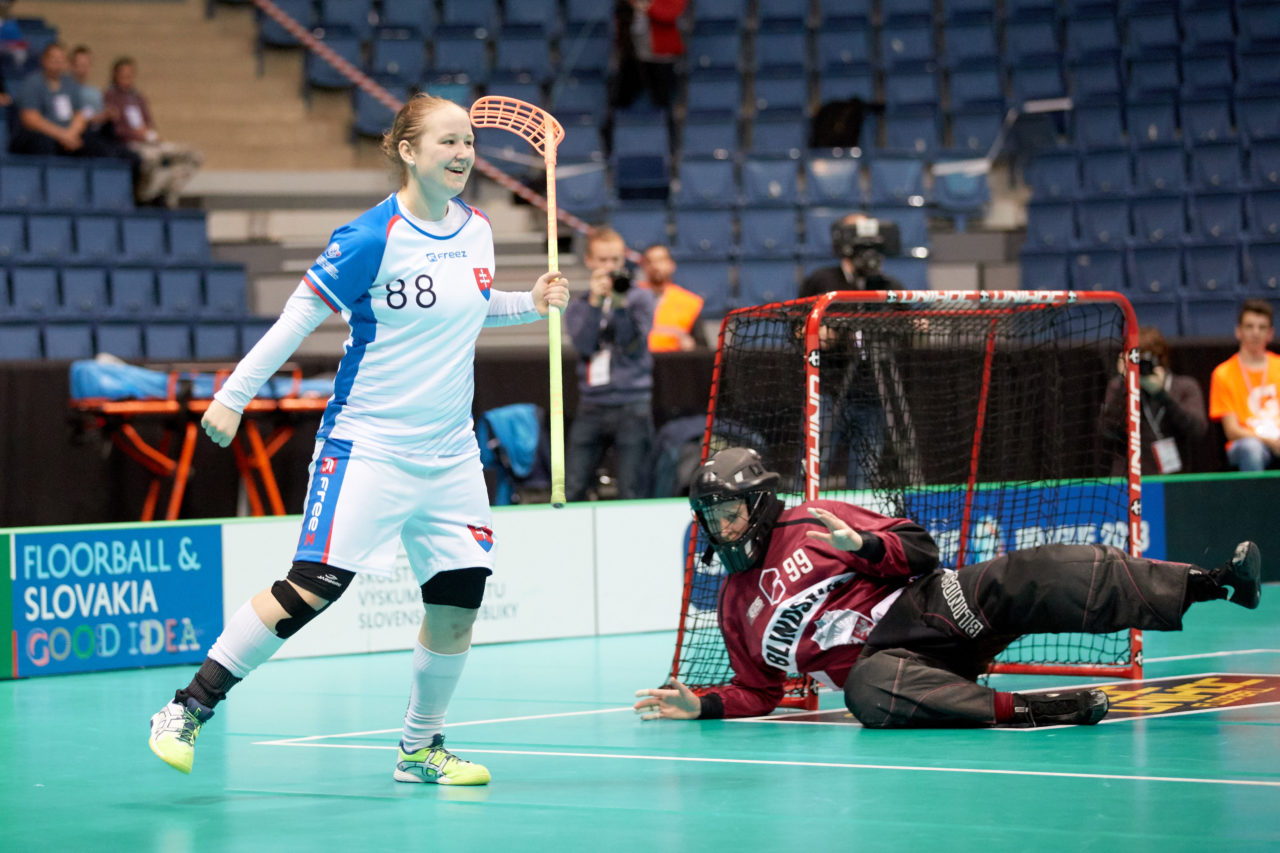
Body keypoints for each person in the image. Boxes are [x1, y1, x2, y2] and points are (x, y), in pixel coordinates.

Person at [147, 94, 570, 785]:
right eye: (447, 143)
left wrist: (530, 301)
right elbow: (297, 317)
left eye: (468, 142)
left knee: (459, 601)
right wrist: (233, 395)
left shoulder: (480, 228)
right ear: (407, 151)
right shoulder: (370, 236)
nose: (463, 153)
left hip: (451, 452)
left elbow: (466, 308)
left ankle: (419, 748)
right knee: (311, 587)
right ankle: (187, 706)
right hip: (368, 446)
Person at [633, 447, 1262, 728]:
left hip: (929, 608)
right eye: (710, 519)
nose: (721, 528)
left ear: (760, 503)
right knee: (866, 691)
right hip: (889, 665)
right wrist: (707, 705)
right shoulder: (734, 608)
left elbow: (922, 553)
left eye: (730, 513)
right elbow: (758, 690)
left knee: (1037, 572)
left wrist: (865, 546)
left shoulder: (814, 521)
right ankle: (1036, 712)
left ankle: (1214, 584)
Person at [798, 211, 897, 489]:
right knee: (816, 465)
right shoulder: (823, 281)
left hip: (872, 392)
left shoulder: (886, 286)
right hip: (828, 390)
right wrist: (819, 334)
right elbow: (796, 328)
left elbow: (914, 324)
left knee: (866, 475)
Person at [564, 227, 657, 500]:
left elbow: (633, 346)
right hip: (592, 404)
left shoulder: (640, 298)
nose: (609, 267)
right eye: (602, 260)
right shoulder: (580, 304)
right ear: (589, 261)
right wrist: (595, 303)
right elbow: (584, 345)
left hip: (633, 403)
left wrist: (619, 305)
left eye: (615, 260)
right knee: (574, 486)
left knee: (632, 489)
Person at [1099, 326, 1208, 475]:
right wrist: (1125, 386)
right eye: (1137, 360)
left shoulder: (1185, 386)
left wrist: (1161, 395)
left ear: (1161, 359)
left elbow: (1197, 430)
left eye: (1147, 360)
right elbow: (1107, 429)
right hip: (1129, 477)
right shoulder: (1118, 386)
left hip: (1174, 478)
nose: (1142, 367)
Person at [103, 56, 203, 207]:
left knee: (194, 155)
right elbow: (114, 129)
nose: (127, 79)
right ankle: (143, 197)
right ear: (115, 76)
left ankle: (164, 194)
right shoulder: (109, 97)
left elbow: (149, 124)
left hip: (148, 141)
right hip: (129, 144)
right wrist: (134, 134)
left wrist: (151, 135)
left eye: (130, 75)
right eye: (123, 75)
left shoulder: (138, 98)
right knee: (150, 160)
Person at [9, 43, 130, 159]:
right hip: (42, 135)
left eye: (61, 59)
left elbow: (79, 115)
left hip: (67, 135)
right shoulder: (32, 83)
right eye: (54, 59)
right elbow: (31, 119)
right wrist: (62, 135)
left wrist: (71, 134)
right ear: (44, 60)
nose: (57, 63)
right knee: (42, 143)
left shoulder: (70, 84)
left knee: (96, 145)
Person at [1209, 299, 1280, 471]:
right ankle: (1256, 498)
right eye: (1249, 326)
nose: (1255, 333)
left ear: (1270, 333)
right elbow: (1232, 430)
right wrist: (1268, 440)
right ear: (1238, 331)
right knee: (1251, 448)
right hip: (1245, 443)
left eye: (1262, 327)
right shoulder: (1223, 373)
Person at [639, 243, 705, 352]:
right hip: (637, 362)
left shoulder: (689, 302)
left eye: (660, 260)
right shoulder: (630, 297)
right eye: (649, 262)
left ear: (671, 265)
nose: (655, 266)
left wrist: (691, 347)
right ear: (644, 267)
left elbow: (702, 346)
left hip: (674, 362)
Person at [69, 45, 105, 123]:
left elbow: (100, 114)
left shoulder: (95, 92)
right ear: (72, 66)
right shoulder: (65, 89)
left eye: (86, 65)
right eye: (80, 65)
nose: (83, 69)